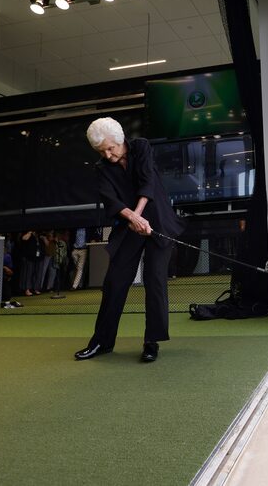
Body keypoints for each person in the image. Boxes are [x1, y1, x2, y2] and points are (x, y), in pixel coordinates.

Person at [74, 117, 184, 363]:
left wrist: (140, 216)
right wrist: (132, 218)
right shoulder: (103, 167)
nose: (108, 155)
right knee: (114, 282)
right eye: (101, 151)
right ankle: (101, 342)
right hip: (129, 226)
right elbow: (110, 200)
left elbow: (148, 183)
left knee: (154, 280)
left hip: (157, 220)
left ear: (120, 139)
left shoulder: (141, 147)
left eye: (110, 148)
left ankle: (151, 342)